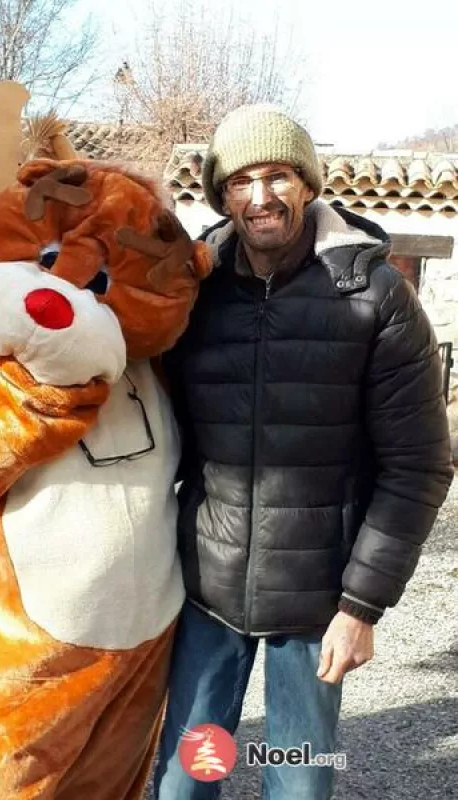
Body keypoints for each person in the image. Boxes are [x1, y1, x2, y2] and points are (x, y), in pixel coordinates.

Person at [153, 105, 454, 800]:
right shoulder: (193, 291)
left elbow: (418, 465)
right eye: (242, 181)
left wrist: (362, 606)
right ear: (222, 194)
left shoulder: (375, 295)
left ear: (308, 184)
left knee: (298, 779)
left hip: (320, 600)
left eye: (279, 176)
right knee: (188, 776)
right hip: (207, 589)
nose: (260, 197)